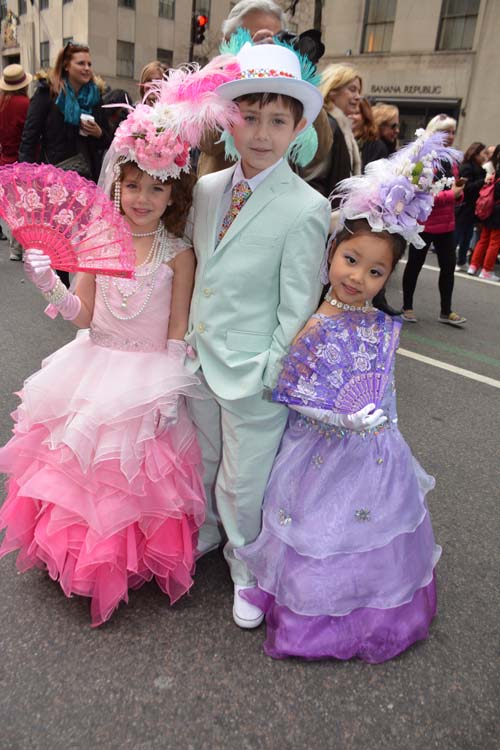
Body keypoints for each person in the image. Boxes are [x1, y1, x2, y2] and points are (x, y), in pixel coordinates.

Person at [0, 61, 240, 627]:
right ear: (117, 183)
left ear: (172, 193)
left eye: (155, 189)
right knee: (77, 469)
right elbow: (80, 313)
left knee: (132, 476)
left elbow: (178, 328)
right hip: (93, 361)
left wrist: (169, 386)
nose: (141, 198)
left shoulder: (180, 254)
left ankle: (122, 559)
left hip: (147, 373)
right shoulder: (96, 236)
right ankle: (77, 557)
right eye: (132, 185)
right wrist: (48, 283)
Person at [235, 129, 455, 662]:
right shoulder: (311, 320)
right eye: (351, 260)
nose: (359, 277)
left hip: (374, 451)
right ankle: (291, 595)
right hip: (316, 447)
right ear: (332, 252)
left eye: (376, 271)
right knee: (310, 528)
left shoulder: (379, 326)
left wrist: (378, 422)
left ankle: (367, 601)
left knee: (369, 532)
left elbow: (382, 387)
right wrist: (339, 417)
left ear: (390, 277)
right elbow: (293, 390)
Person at [186, 41, 331, 629]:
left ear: (297, 127)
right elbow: (200, 268)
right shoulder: (206, 188)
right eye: (249, 117)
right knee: (203, 458)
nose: (262, 133)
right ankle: (206, 531)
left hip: (254, 369)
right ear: (229, 121)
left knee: (245, 478)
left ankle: (247, 565)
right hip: (199, 355)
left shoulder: (306, 207)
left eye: (278, 120)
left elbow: (298, 303)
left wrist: (273, 369)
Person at [197, 0, 332, 177]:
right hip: (221, 195)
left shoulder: (290, 84)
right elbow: (206, 142)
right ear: (228, 40)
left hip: (274, 195)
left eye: (276, 38)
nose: (268, 44)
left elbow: (321, 148)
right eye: (254, 37)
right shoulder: (213, 80)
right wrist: (242, 68)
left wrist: (300, 78)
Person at [18, 42, 111, 286]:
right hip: (54, 177)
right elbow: (29, 136)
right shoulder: (47, 94)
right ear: (66, 66)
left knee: (81, 235)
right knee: (59, 236)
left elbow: (108, 141)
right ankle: (61, 287)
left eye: (89, 63)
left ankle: (78, 286)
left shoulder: (95, 96)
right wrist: (25, 178)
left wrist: (99, 132)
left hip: (86, 177)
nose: (87, 68)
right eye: (81, 63)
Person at [402, 115, 466, 326]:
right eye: (445, 131)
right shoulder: (421, 156)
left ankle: (446, 311)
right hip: (425, 222)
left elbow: (454, 190)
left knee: (448, 268)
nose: (450, 136)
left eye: (453, 132)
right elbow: (416, 190)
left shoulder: (452, 160)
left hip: (447, 224)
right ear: (433, 132)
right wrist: (452, 195)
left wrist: (459, 193)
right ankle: (407, 307)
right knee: (414, 265)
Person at [302, 63, 362, 200]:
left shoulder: (341, 126)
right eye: (352, 89)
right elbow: (313, 179)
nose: (358, 96)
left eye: (359, 91)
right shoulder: (327, 125)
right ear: (332, 91)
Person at [0, 63, 32, 256]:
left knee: (12, 205)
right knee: (25, 205)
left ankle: (14, 248)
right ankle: (22, 246)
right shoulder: (26, 104)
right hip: (22, 160)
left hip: (4, 160)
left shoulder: (1, 103)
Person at [467, 144, 500, 281]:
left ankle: (473, 265)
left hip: (490, 208)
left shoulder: (495, 171)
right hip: (498, 211)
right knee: (494, 241)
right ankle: (486, 270)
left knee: (484, 238)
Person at [454, 141, 487, 270]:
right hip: (464, 206)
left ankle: (461, 260)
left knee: (467, 235)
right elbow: (466, 187)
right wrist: (483, 181)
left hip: (472, 207)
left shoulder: (480, 169)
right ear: (476, 154)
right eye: (483, 153)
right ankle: (454, 259)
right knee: (458, 234)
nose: (484, 156)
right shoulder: (467, 168)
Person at [350, 96, 387, 169]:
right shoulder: (339, 140)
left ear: (365, 116)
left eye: (356, 113)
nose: (351, 116)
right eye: (349, 112)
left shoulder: (377, 147)